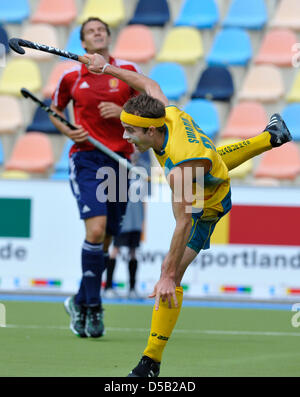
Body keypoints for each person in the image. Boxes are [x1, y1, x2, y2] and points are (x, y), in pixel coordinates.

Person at [85, 52, 292, 376]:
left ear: (152, 131)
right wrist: (106, 68)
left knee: (174, 277)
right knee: (214, 158)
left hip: (209, 204)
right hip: (204, 163)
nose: (125, 137)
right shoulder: (165, 112)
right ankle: (271, 137)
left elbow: (185, 220)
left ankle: (150, 361)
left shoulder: (182, 166)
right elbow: (149, 83)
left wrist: (166, 273)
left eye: (130, 132)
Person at [49, 17, 141, 338]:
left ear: (108, 37)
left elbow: (150, 107)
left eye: (101, 29)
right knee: (97, 228)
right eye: (90, 32)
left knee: (107, 238)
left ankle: (79, 299)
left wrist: (123, 114)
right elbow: (54, 110)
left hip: (120, 161)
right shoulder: (71, 76)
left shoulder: (126, 71)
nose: (97, 33)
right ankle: (94, 306)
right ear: (84, 44)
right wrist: (67, 130)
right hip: (86, 159)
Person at [105, 151, 151, 299]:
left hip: (135, 220)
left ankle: (132, 289)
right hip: (122, 219)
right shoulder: (120, 170)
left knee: (133, 252)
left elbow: (144, 198)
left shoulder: (142, 172)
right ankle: (108, 287)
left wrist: (143, 221)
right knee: (115, 250)